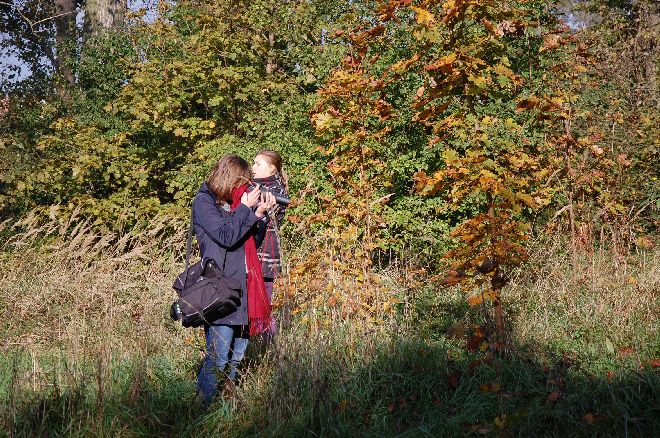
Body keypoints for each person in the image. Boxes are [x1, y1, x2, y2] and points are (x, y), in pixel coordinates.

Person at [193, 154, 276, 407]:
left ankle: (226, 409)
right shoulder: (204, 203)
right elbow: (227, 236)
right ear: (230, 178)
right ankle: (201, 410)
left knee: (236, 358)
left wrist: (259, 214)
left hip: (244, 290)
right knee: (217, 359)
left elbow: (252, 242)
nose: (245, 187)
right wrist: (244, 208)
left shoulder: (233, 203)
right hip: (220, 291)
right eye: (243, 181)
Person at [251, 150, 289, 336]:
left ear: (272, 168)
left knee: (262, 301)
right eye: (253, 163)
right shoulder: (256, 188)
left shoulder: (274, 191)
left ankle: (265, 342)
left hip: (264, 250)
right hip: (256, 249)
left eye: (258, 164)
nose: (253, 168)